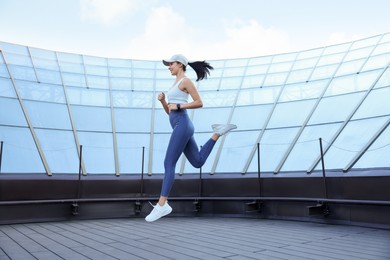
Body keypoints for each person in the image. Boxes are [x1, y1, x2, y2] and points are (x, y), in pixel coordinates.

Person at [145, 54, 237, 222]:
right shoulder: (175, 83)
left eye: (171, 64)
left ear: (180, 64)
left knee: (168, 163)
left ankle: (162, 204)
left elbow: (199, 102)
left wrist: (179, 105)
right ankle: (216, 133)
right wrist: (164, 102)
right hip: (179, 125)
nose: (169, 67)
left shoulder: (185, 81)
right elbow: (170, 112)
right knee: (197, 161)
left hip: (183, 125)